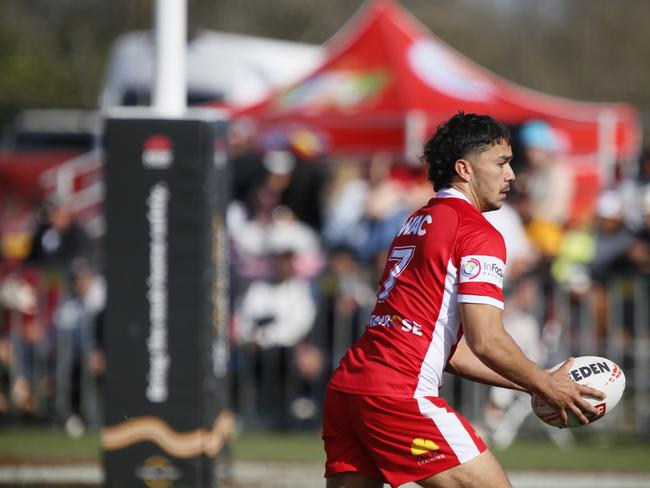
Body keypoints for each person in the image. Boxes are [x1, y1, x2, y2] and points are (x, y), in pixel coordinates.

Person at [322, 112, 604, 488]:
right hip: (398, 395)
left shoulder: (416, 221)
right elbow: (486, 340)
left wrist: (535, 381)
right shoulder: (476, 232)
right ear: (465, 169)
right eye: (501, 163)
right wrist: (548, 385)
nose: (511, 176)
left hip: (348, 391)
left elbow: (447, 349)